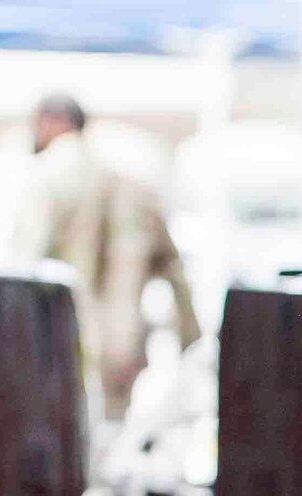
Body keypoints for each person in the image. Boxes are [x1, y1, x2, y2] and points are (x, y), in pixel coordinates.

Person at [14, 93, 202, 418]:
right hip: (123, 354)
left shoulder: (48, 174)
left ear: (50, 122)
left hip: (64, 355)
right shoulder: (133, 183)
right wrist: (191, 343)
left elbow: (23, 268)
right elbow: (175, 273)